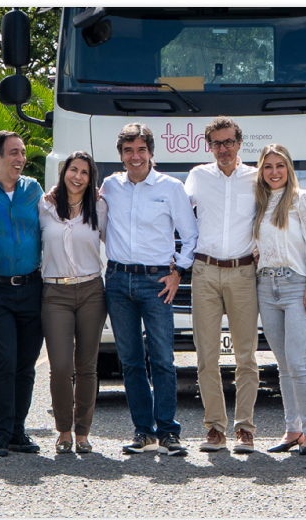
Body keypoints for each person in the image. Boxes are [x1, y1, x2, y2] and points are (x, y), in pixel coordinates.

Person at [102, 123, 198, 457]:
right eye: (128, 150)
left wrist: (178, 273)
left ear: (151, 153)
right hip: (117, 281)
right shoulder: (110, 186)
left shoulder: (171, 188)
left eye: (141, 149)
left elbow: (191, 235)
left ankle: (169, 432)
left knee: (162, 359)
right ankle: (143, 431)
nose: (135, 156)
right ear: (121, 155)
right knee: (130, 361)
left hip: (157, 282)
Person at [185, 117, 261, 454]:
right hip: (205, 272)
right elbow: (175, 211)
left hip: (244, 273)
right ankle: (215, 428)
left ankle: (245, 428)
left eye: (229, 142)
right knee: (206, 357)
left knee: (246, 356)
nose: (223, 149)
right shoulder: (198, 177)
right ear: (209, 146)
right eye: (216, 143)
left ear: (239, 143)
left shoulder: (256, 177)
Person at [253, 144, 306, 456]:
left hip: (296, 285)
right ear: (262, 170)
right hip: (265, 287)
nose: (274, 172)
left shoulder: (302, 200)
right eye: (268, 166)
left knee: (298, 362)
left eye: (280, 166)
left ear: (289, 168)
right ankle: (292, 429)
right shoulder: (259, 203)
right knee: (283, 365)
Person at [0, 131, 44, 457]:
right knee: (4, 360)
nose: (20, 159)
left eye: (22, 153)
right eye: (13, 153)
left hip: (32, 288)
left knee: (26, 364)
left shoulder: (34, 189)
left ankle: (19, 430)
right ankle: (0, 433)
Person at [40, 151, 108, 455]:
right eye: (73, 170)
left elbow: (117, 241)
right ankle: (63, 430)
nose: (77, 177)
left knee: (86, 366)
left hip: (92, 291)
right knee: (61, 365)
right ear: (63, 172)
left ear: (91, 179)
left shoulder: (100, 207)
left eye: (84, 172)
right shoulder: (45, 206)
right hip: (55, 294)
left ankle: (82, 433)